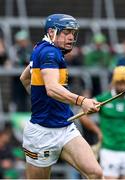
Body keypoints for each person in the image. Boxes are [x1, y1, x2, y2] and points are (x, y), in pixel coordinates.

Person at [20, 14, 103, 179]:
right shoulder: (49, 53)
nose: (71, 37)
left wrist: (39, 97)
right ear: (51, 32)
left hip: (65, 127)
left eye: (73, 32)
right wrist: (82, 101)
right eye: (66, 32)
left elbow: (25, 78)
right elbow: (51, 89)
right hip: (41, 134)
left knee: (96, 173)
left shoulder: (41, 48)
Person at [80, 66, 125, 179]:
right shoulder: (103, 98)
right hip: (109, 150)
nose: (122, 85)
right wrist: (98, 132)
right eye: (119, 82)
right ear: (113, 82)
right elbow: (83, 115)